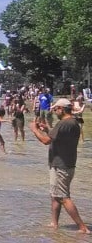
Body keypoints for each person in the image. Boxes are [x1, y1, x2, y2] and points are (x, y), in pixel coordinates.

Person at [29, 98, 89, 233]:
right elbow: (56, 137)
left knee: (63, 197)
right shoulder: (73, 122)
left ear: (62, 109)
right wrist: (47, 129)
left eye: (56, 109)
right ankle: (54, 224)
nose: (55, 111)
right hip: (65, 163)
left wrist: (34, 130)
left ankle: (82, 228)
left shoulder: (63, 123)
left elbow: (46, 141)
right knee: (55, 195)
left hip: (61, 165)